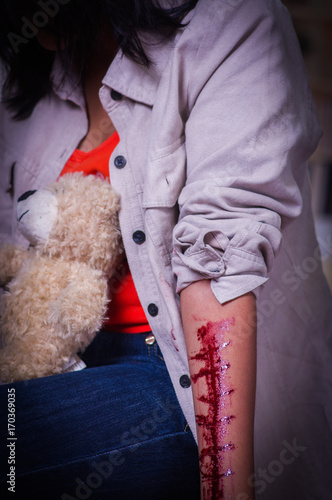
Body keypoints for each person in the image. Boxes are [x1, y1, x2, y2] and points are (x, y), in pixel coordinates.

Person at [0, 0, 331, 499]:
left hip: (171, 371)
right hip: (53, 352)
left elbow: (218, 273)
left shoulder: (236, 21)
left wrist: (227, 489)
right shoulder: (28, 71)